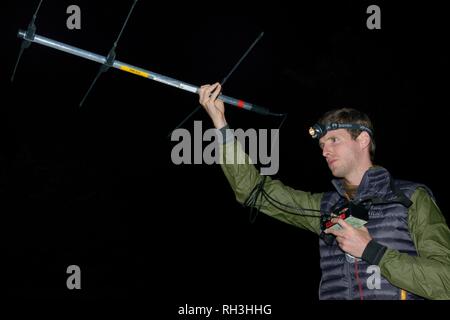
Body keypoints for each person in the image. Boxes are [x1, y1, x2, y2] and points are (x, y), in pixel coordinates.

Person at [197, 82, 450, 300]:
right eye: (321, 144)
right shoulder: (323, 207)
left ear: (362, 140)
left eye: (334, 140)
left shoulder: (411, 198)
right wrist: (220, 124)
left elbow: (445, 282)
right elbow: (252, 190)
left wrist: (373, 251)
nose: (324, 150)